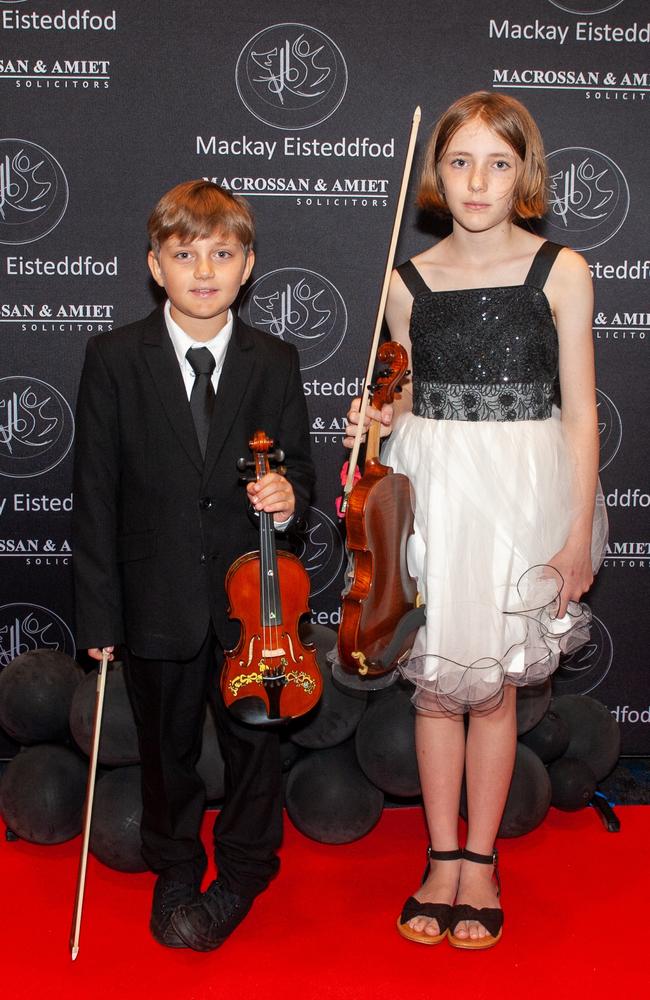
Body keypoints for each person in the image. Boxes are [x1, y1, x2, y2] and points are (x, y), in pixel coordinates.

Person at [344, 92, 607, 950]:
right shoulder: (405, 283)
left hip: (523, 494)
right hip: (436, 491)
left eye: (498, 162)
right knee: (435, 691)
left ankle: (483, 862)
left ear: (524, 172)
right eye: (460, 162)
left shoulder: (561, 270)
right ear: (436, 174)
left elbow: (578, 415)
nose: (478, 180)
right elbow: (408, 391)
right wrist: (374, 421)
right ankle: (441, 854)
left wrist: (575, 529)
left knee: (491, 690)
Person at [73, 180, 314, 951]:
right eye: (184, 254)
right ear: (155, 265)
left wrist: (287, 499)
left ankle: (245, 866)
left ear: (248, 267)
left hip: (253, 608)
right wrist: (101, 617)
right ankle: (175, 864)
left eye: (221, 252)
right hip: (155, 598)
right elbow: (95, 496)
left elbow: (302, 474)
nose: (203, 269)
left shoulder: (274, 360)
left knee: (254, 744)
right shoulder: (113, 357)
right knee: (167, 746)